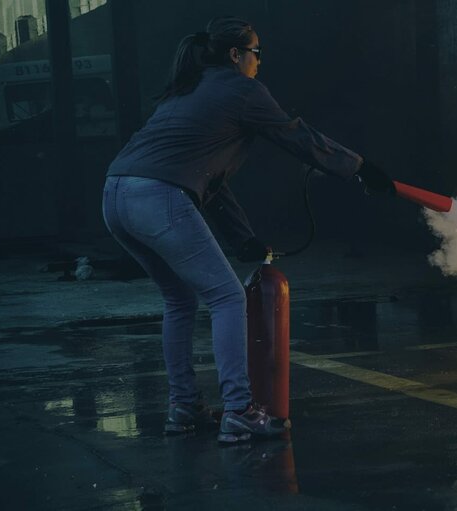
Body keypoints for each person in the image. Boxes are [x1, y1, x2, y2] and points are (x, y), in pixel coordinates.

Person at [102, 16, 395, 443]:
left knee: (179, 300)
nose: (260, 62)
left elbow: (208, 181)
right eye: (256, 53)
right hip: (157, 197)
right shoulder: (242, 90)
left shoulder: (188, 89)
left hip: (115, 196)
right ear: (236, 55)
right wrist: (361, 168)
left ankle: (182, 408)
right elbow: (300, 138)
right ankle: (239, 411)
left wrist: (242, 238)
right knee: (226, 297)